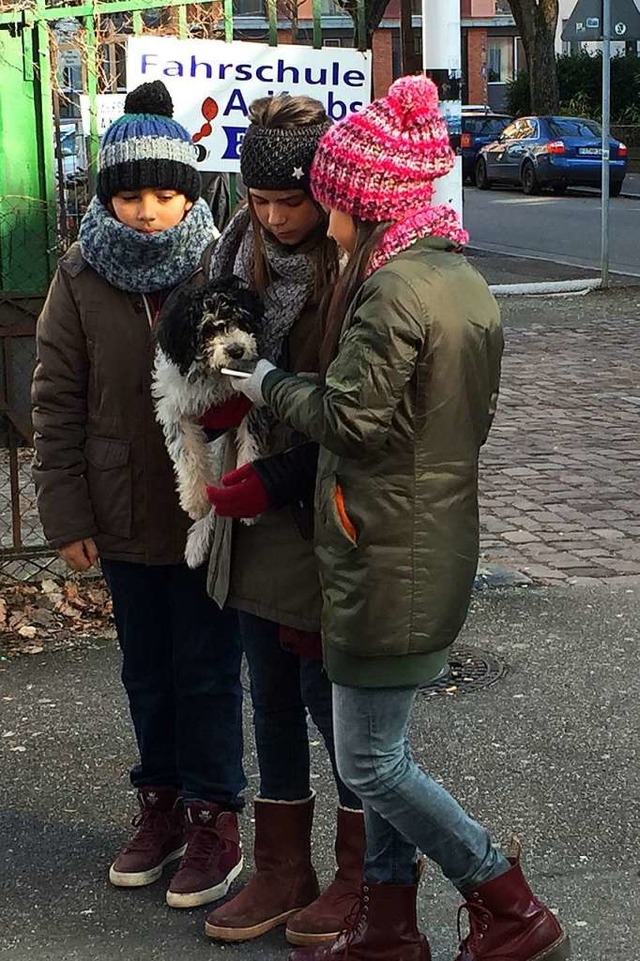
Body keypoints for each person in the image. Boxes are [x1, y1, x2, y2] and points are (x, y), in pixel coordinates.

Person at [224, 75, 571, 961]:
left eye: (332, 206)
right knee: (380, 750)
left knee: (373, 760)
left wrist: (265, 383)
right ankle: (386, 924)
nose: (324, 223)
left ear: (363, 207)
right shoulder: (454, 276)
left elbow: (353, 418)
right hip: (422, 533)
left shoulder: (391, 290)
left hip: (386, 544)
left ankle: (509, 902)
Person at [31, 80, 246, 912]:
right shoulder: (80, 275)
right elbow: (56, 397)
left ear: (188, 191)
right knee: (146, 672)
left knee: (208, 670)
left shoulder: (218, 261)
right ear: (106, 195)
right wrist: (68, 512)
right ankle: (158, 804)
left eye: (164, 192)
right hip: (120, 513)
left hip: (210, 510)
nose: (148, 210)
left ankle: (214, 814)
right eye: (129, 194)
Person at [200, 94, 365, 948]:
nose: (272, 218)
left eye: (289, 202)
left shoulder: (353, 268)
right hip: (255, 513)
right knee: (265, 688)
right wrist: (214, 406)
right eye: (259, 201)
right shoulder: (235, 249)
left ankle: (364, 873)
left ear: (325, 193)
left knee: (331, 700)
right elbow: (212, 361)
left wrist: (279, 477)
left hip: (323, 516)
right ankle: (282, 865)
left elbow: (358, 418)